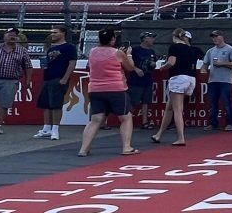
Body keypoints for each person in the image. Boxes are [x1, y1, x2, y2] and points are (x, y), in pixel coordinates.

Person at [79, 27, 140, 156]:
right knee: (125, 117)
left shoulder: (92, 51)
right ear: (113, 39)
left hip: (95, 89)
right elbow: (130, 67)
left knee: (95, 119)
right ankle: (126, 147)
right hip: (116, 89)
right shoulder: (118, 53)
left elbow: (90, 66)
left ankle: (83, 149)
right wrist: (128, 54)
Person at [152, 29, 201, 146]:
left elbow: (171, 62)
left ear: (174, 36)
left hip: (178, 78)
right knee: (169, 108)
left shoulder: (174, 47)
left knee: (177, 109)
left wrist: (163, 67)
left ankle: (181, 138)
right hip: (191, 79)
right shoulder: (191, 49)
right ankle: (158, 134)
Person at [33, 27, 77, 142]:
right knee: (46, 104)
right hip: (47, 78)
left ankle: (55, 129)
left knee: (56, 105)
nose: (52, 34)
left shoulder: (69, 47)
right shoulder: (51, 48)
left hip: (59, 78)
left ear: (63, 33)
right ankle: (46, 128)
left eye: (55, 32)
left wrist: (65, 78)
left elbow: (72, 63)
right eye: (52, 32)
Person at [203, 30, 232, 132]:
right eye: (213, 37)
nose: (214, 39)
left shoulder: (230, 50)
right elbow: (205, 63)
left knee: (226, 102)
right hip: (213, 80)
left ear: (222, 37)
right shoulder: (210, 51)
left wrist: (222, 63)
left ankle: (230, 123)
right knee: (212, 102)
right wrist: (204, 70)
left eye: (216, 36)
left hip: (225, 80)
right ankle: (213, 123)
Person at [127, 31, 160, 131]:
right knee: (133, 102)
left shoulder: (152, 52)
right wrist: (136, 69)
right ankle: (127, 122)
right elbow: (127, 62)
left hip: (147, 79)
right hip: (136, 80)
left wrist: (153, 65)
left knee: (146, 102)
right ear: (145, 39)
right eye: (151, 37)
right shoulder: (135, 50)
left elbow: (153, 63)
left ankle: (144, 122)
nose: (153, 39)